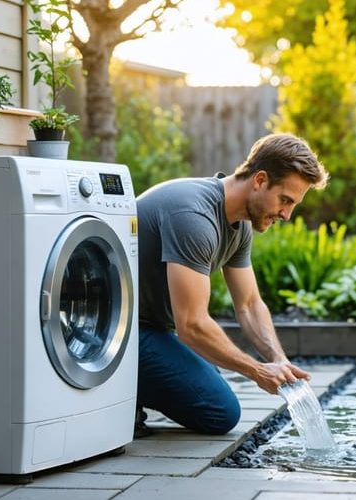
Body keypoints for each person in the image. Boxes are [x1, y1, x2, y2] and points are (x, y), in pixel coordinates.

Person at [135, 133, 329, 436]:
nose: (287, 214)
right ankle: (124, 399)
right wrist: (256, 370)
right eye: (285, 200)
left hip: (151, 328)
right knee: (220, 411)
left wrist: (279, 361)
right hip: (116, 332)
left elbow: (249, 304)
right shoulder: (194, 216)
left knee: (209, 372)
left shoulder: (239, 224)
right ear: (260, 180)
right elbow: (192, 326)